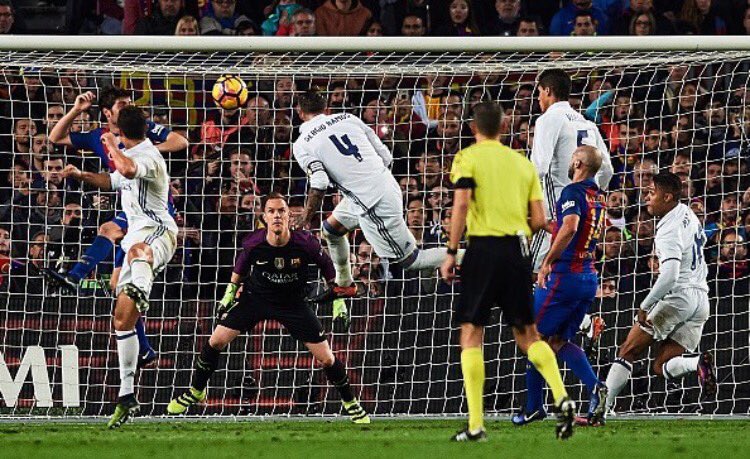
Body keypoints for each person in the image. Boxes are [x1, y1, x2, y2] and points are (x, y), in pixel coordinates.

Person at [167, 193, 369, 424]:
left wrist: (338, 301)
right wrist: (229, 295)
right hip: (256, 299)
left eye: (281, 211)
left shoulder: (305, 242)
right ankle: (196, 391)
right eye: (271, 211)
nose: (277, 216)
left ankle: (350, 402)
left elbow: (328, 267)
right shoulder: (254, 242)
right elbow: (240, 267)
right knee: (215, 341)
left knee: (327, 359)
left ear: (289, 215)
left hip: (293, 303)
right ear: (264, 217)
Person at [440, 102, 575, 442]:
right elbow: (538, 219)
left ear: (474, 128)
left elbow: (462, 203)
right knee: (528, 335)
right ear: (503, 127)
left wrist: (451, 251)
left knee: (471, 333)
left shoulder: (467, 158)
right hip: (516, 252)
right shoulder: (522, 164)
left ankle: (476, 425)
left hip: (483, 250)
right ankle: (561, 397)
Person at [44, 87, 188, 368]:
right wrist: (76, 110)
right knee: (116, 285)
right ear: (107, 113)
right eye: (122, 104)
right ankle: (144, 349)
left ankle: (74, 276)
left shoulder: (140, 129)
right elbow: (55, 137)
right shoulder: (99, 135)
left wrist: (144, 152)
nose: (127, 107)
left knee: (108, 229)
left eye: (129, 103)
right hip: (130, 208)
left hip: (151, 214)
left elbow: (180, 141)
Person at [61, 106, 178, 429]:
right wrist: (82, 175)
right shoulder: (132, 152)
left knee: (140, 252)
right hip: (134, 239)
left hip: (158, 232)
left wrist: (109, 144)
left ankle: (141, 289)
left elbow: (125, 170)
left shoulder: (149, 156)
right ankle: (127, 395)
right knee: (122, 319)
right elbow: (114, 179)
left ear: (121, 132)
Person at [291, 90, 460, 306]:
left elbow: (320, 182)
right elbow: (386, 156)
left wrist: (306, 216)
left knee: (413, 261)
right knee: (331, 230)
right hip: (382, 186)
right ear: (325, 107)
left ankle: (478, 256)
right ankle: (344, 284)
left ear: (299, 111)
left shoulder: (302, 144)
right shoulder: (348, 118)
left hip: (373, 204)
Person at [604, 172, 717, 416]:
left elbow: (670, 275)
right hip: (701, 299)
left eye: (651, 193)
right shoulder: (687, 213)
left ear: (667, 197)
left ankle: (601, 408)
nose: (646, 198)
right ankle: (696, 363)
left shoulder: (668, 230)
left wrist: (645, 305)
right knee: (660, 366)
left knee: (628, 350)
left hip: (679, 297)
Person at [513, 146, 608, 428]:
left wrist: (547, 262)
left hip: (564, 278)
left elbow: (570, 227)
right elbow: (577, 229)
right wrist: (545, 225)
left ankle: (534, 407)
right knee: (557, 342)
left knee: (533, 339)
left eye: (572, 158)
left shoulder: (572, 191)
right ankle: (595, 387)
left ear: (578, 163)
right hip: (588, 277)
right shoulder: (598, 197)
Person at [530, 69, 613, 273]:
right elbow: (607, 169)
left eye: (539, 92)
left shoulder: (548, 119)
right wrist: (592, 194)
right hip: (585, 212)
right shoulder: (587, 124)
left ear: (548, 91)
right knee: (573, 268)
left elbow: (539, 167)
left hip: (556, 211)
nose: (538, 98)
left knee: (534, 270)